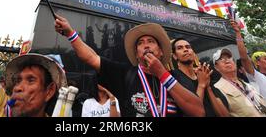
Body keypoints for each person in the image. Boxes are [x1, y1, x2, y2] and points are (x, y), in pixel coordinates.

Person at [55, 15, 205, 117]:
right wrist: (70, 33)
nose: (146, 45)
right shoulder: (125, 73)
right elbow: (91, 57)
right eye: (140, 43)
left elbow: (198, 111)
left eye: (151, 41)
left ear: (160, 52)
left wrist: (162, 74)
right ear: (136, 53)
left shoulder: (175, 77)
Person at [170, 38, 229, 117]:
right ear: (174, 56)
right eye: (180, 48)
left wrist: (208, 87)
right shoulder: (173, 78)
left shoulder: (203, 75)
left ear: (193, 53)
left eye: (188, 47)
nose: (185, 50)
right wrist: (201, 84)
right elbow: (195, 113)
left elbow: (224, 114)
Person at [212, 48, 266, 117]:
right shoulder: (217, 88)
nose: (227, 61)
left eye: (229, 58)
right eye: (221, 59)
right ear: (216, 67)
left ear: (234, 63)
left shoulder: (247, 84)